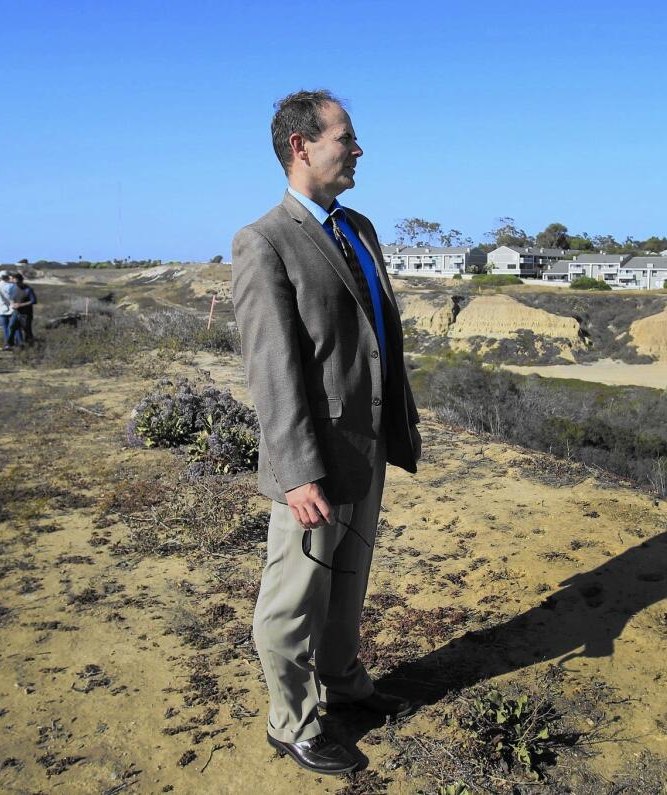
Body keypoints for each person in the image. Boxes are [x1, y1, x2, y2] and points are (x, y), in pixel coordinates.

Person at [230, 90, 422, 776]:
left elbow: (375, 335)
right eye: (347, 136)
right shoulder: (264, 241)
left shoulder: (360, 227)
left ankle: (342, 680)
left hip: (365, 448)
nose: (359, 148)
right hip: (312, 461)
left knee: (348, 582)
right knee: (290, 602)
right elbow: (272, 371)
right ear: (301, 146)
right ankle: (293, 720)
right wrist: (296, 470)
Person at [7, 272, 37, 347]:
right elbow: (11, 297)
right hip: (16, 312)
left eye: (18, 282)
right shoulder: (12, 288)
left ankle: (30, 345)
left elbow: (34, 301)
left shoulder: (28, 289)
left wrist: (20, 305)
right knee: (11, 327)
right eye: (15, 282)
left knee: (27, 330)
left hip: (26, 314)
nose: (17, 284)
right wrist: (13, 303)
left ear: (21, 281)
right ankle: (10, 344)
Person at [0, 269, 18, 349]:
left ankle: (8, 344)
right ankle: (19, 343)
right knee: (15, 328)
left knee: (5, 328)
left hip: (1, 309)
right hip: (12, 309)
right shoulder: (12, 286)